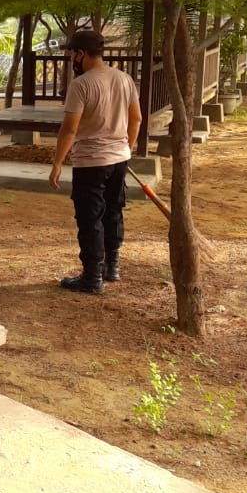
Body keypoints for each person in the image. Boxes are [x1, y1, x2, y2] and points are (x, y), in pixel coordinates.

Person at [47, 29, 142, 294]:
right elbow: (136, 119)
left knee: (91, 218)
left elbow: (69, 130)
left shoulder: (82, 84)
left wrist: (57, 164)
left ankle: (92, 276)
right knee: (113, 211)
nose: (71, 60)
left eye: (72, 54)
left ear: (81, 54)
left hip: (90, 162)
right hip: (118, 158)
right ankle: (111, 266)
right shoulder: (124, 79)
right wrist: (127, 147)